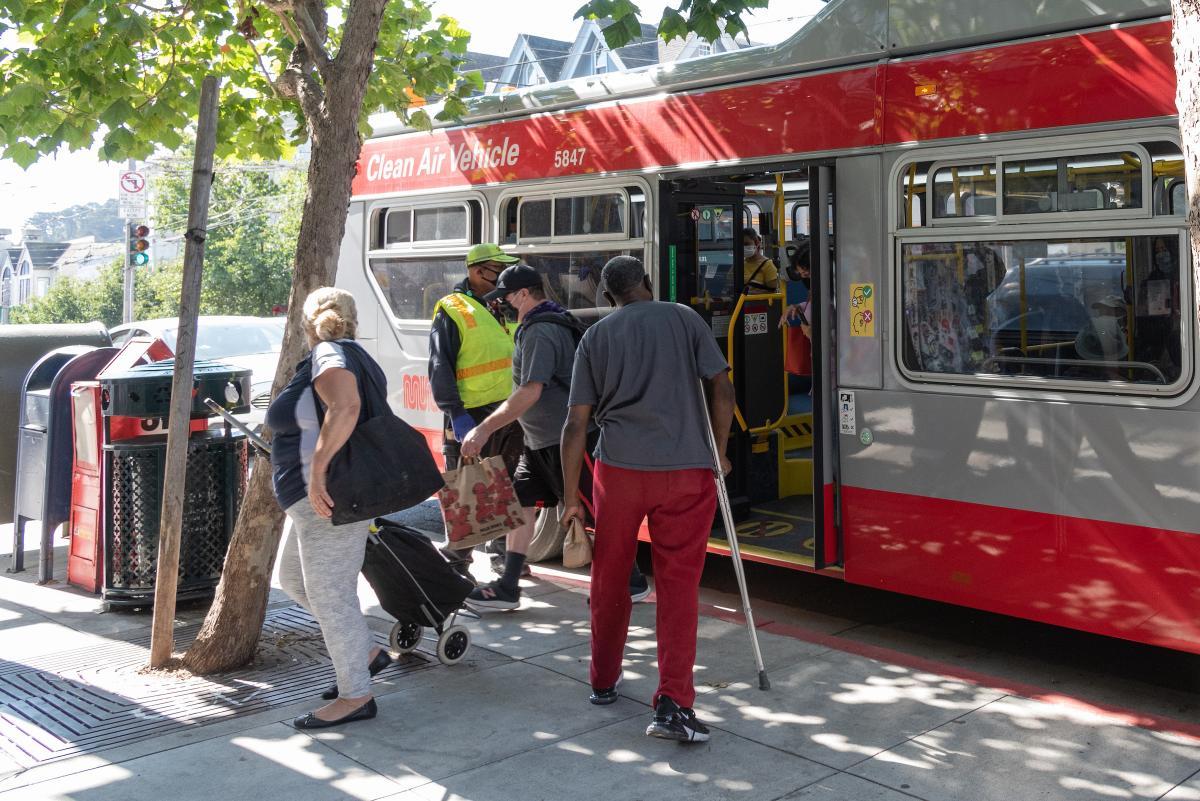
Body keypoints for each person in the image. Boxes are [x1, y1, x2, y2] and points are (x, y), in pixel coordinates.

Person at [561, 256, 735, 744]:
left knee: (611, 575)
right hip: (686, 470)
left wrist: (570, 495)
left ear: (608, 296)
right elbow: (721, 388)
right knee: (678, 586)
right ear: (648, 284)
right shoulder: (684, 318)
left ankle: (602, 679)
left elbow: (575, 423)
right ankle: (674, 702)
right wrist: (719, 453)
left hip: (618, 471)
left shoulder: (595, 337)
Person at [460, 264, 650, 609]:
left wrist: (485, 427)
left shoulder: (540, 332)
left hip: (568, 443)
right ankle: (508, 585)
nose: (501, 304)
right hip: (540, 442)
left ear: (522, 294)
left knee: (598, 514)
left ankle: (631, 582)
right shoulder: (545, 323)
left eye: (504, 297)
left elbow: (530, 391)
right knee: (520, 503)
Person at [267, 287, 387, 730]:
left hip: (329, 498)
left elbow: (347, 405)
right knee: (295, 581)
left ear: (305, 323)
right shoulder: (351, 355)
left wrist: (317, 468)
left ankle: (356, 695)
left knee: (332, 596)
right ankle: (367, 654)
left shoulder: (330, 355)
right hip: (314, 502)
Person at [429, 243, 525, 577]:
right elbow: (440, 365)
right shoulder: (452, 309)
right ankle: (456, 565)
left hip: (508, 410)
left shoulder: (504, 306)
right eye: (498, 268)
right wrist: (455, 412)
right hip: (470, 411)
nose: (503, 275)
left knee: (505, 485)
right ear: (477, 271)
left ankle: (501, 555)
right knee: (465, 488)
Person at [742, 227, 779, 295]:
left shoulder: (768, 265)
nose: (743, 247)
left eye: (746, 244)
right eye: (740, 245)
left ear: (756, 243)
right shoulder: (739, 265)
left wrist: (750, 294)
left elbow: (772, 292)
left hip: (758, 304)